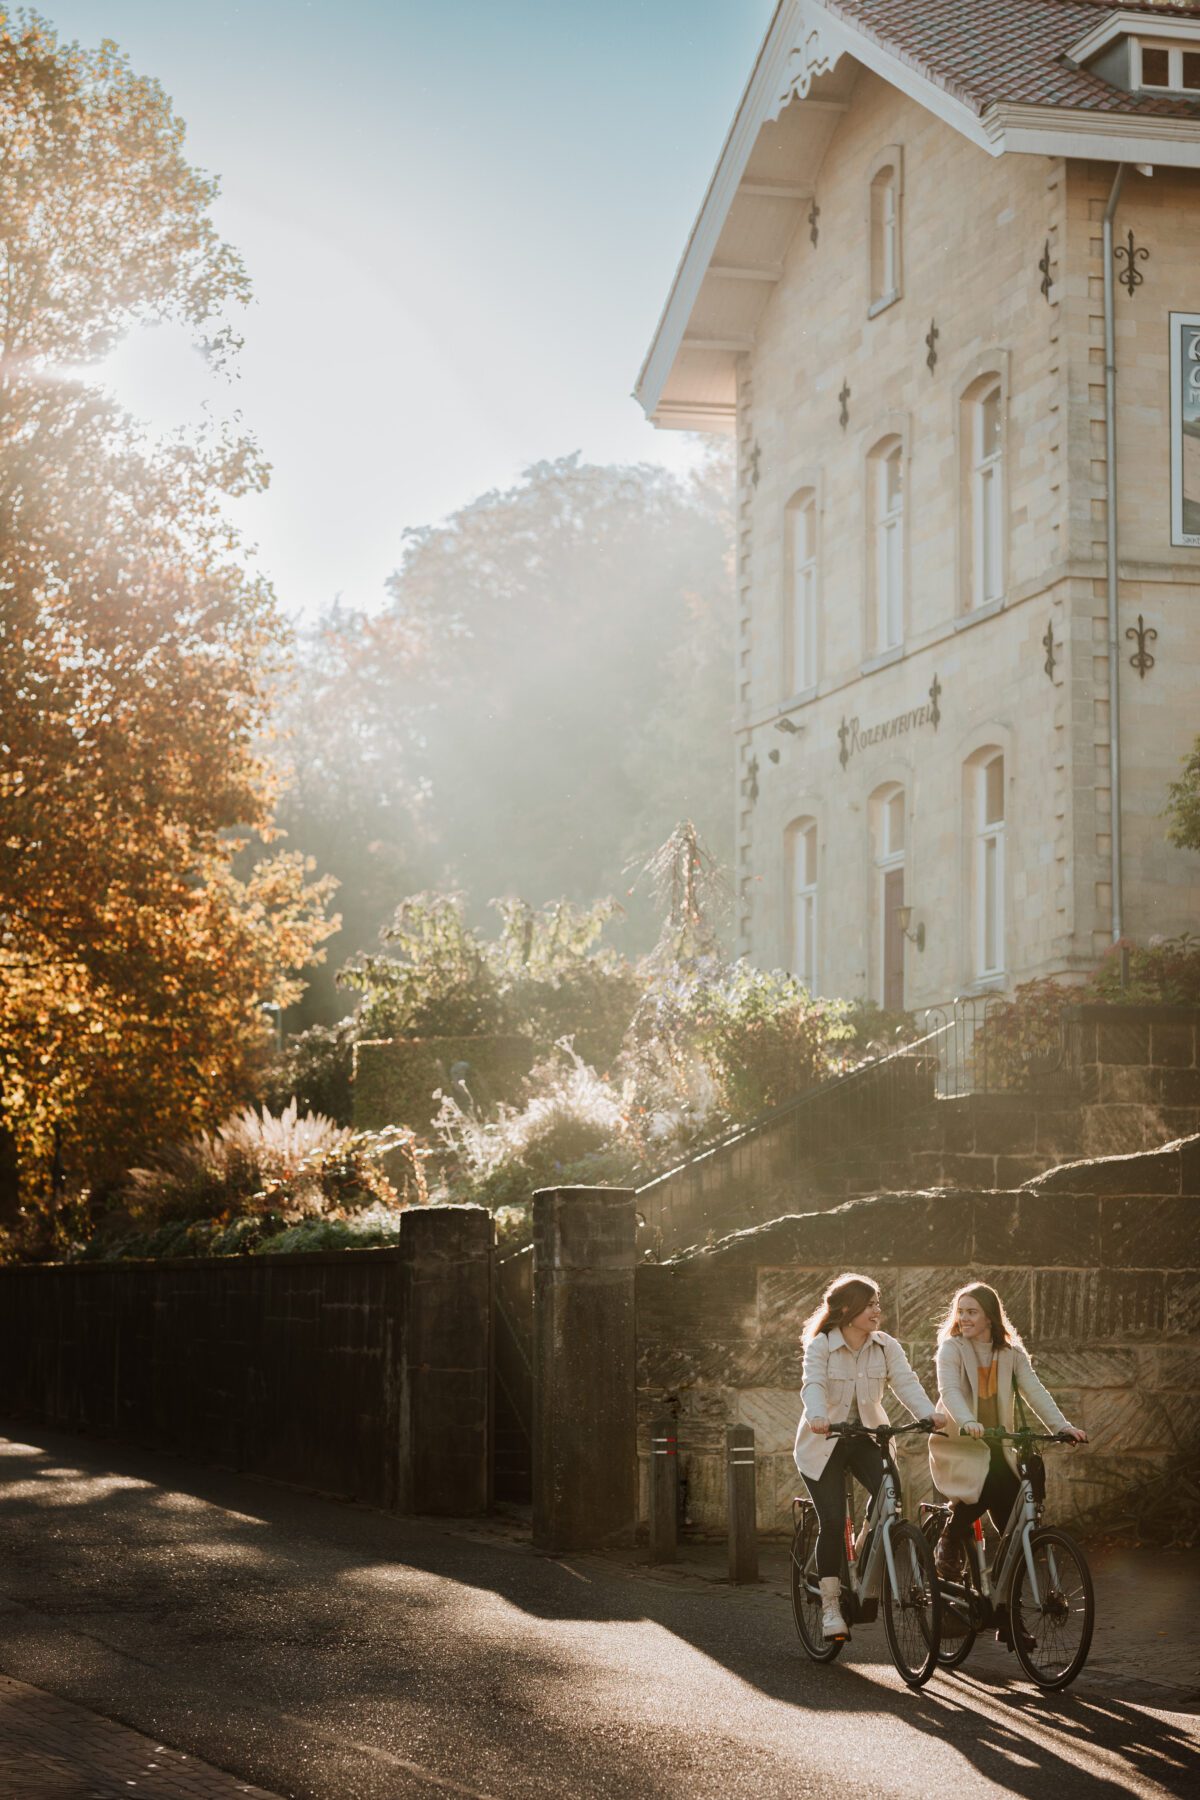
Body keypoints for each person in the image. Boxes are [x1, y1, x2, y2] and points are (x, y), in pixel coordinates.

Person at [793, 1271, 936, 1641]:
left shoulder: (886, 1345)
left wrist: (928, 1415)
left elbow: (906, 1382)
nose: (877, 1311)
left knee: (891, 1495)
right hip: (824, 1442)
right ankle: (829, 1607)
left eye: (877, 1304)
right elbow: (813, 1385)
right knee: (833, 1518)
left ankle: (857, 1552)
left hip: (865, 1439)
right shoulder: (822, 1345)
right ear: (846, 1309)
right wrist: (817, 1416)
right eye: (869, 1305)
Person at [930, 1282, 1086, 1607]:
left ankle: (1006, 1612)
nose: (964, 1318)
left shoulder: (1011, 1354)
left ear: (990, 1316)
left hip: (998, 1446)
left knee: (1018, 1536)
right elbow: (949, 1392)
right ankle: (950, 1536)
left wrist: (1062, 1426)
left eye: (972, 1312)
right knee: (986, 1485)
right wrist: (967, 1421)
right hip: (962, 1443)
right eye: (960, 1312)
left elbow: (1035, 1391)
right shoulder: (952, 1349)